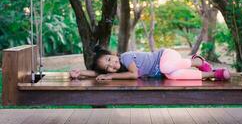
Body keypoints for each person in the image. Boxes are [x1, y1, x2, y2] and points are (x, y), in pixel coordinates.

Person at [69, 46, 230, 81]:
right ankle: (213, 74)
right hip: (166, 69)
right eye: (108, 67)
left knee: (166, 68)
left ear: (112, 54)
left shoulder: (125, 58)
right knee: (172, 76)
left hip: (166, 56)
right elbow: (98, 73)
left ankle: (196, 61)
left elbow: (134, 74)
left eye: (110, 59)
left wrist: (110, 76)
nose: (112, 65)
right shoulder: (117, 70)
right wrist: (80, 73)